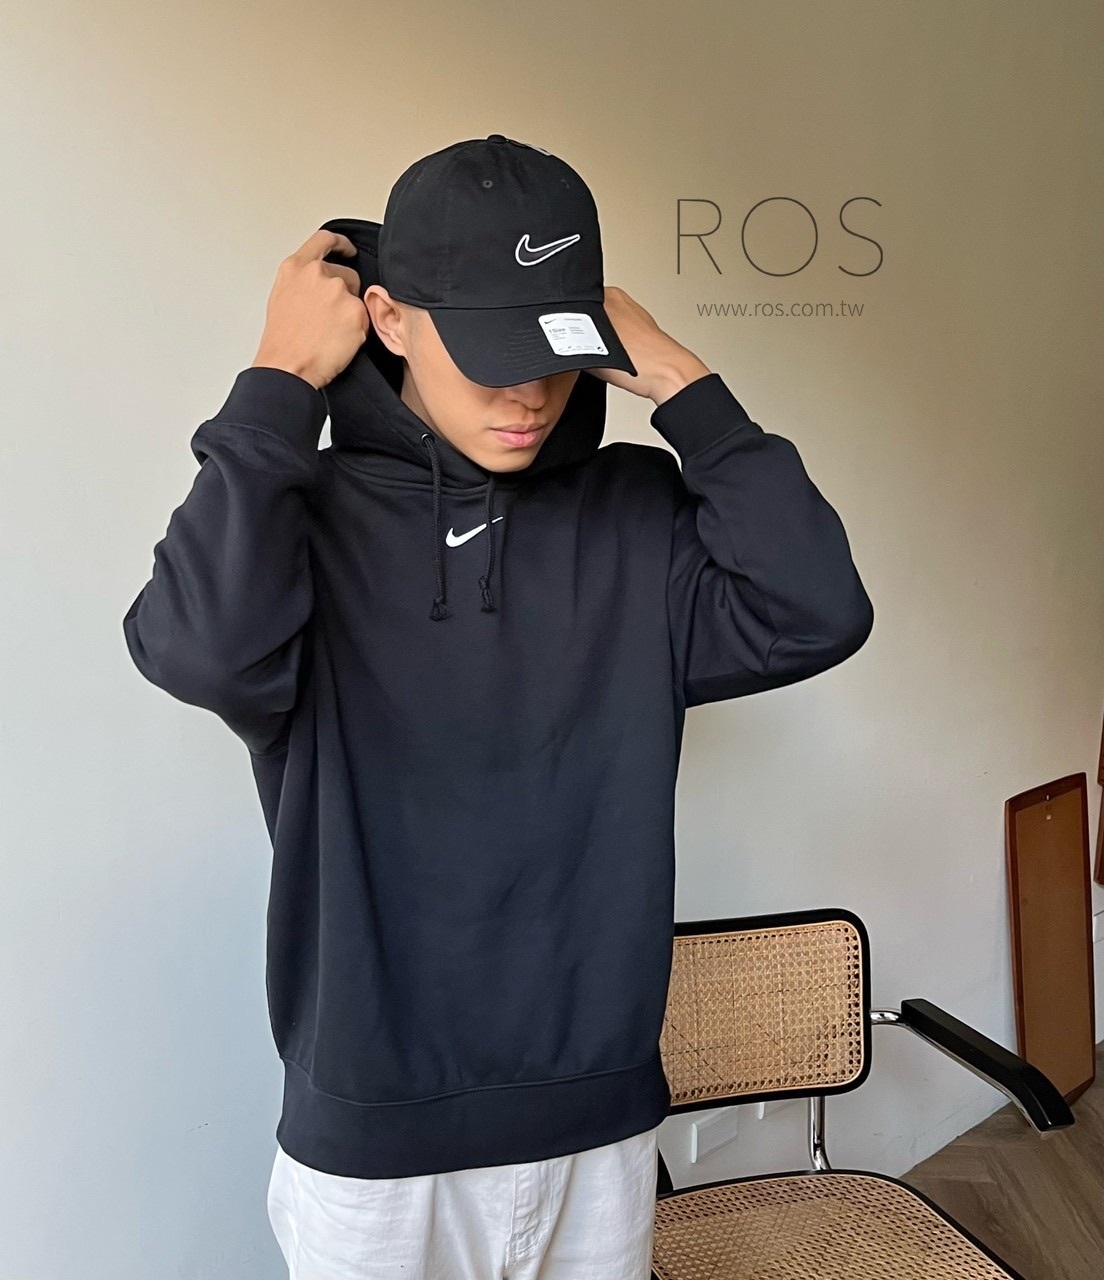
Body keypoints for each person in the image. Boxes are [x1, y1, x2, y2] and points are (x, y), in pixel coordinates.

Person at [122, 134, 874, 1279]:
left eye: (552, 351)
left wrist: (685, 384)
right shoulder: (299, 517)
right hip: (376, 1149)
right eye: (489, 354)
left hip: (595, 1127)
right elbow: (194, 648)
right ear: (387, 320)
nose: (527, 393)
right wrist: (275, 382)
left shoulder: (635, 514)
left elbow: (817, 609)